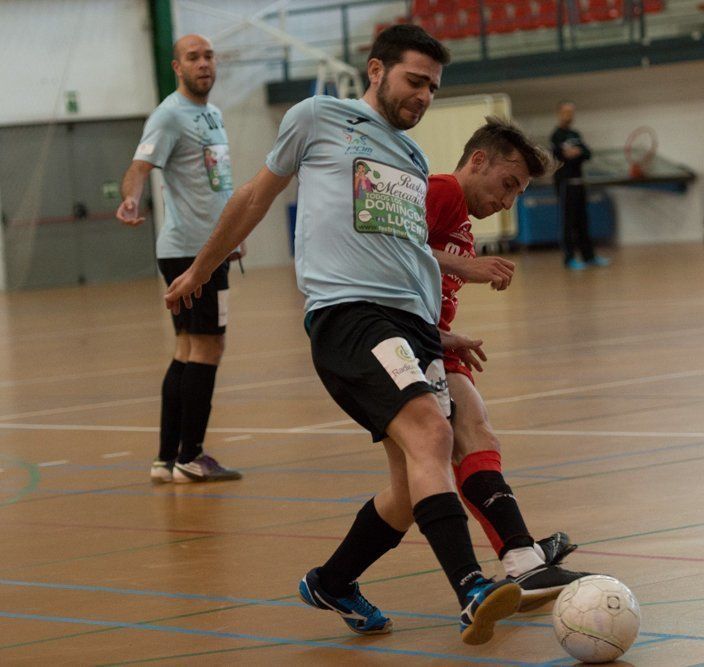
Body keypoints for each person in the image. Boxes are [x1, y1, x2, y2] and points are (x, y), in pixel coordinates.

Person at [164, 25, 520, 645]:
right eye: (415, 81)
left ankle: (333, 581)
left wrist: (444, 332)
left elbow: (412, 250)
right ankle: (470, 586)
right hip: (351, 314)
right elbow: (255, 194)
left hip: (413, 326)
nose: (424, 97)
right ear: (376, 70)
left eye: (434, 88)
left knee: (411, 485)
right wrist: (203, 265)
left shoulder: (411, 158)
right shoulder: (318, 117)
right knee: (432, 432)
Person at [425, 117, 588, 610]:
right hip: (411, 343)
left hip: (433, 342)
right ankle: (521, 557)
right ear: (478, 161)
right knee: (463, 442)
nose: (507, 202)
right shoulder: (442, 191)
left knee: (461, 445)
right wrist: (461, 268)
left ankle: (521, 552)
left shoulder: (463, 225)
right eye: (507, 185)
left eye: (518, 192)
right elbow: (387, 253)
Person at [116, 34, 242, 484]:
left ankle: (166, 458)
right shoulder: (170, 115)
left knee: (188, 348)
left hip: (209, 246)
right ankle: (191, 456)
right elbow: (139, 166)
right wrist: (131, 199)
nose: (204, 64)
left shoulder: (212, 115)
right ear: (177, 67)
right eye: (194, 57)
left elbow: (217, 186)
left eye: (208, 56)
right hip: (192, 251)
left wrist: (233, 235)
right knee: (209, 346)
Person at [550, 101, 609, 270]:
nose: (569, 115)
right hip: (565, 184)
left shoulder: (576, 134)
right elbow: (562, 155)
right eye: (566, 112)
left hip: (579, 183)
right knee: (568, 222)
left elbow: (587, 153)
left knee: (583, 221)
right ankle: (569, 258)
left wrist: (578, 152)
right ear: (559, 113)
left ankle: (589, 256)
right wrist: (573, 153)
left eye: (572, 112)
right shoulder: (556, 135)